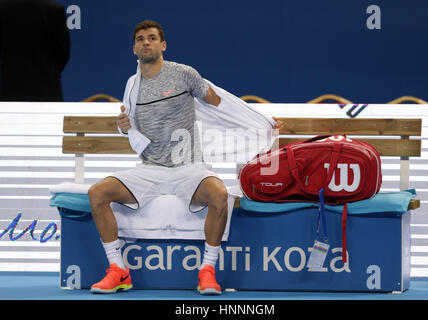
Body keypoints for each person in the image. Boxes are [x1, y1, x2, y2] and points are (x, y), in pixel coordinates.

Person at [88, 20, 283, 295]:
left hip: (190, 167)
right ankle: (118, 270)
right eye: (141, 39)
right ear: (134, 48)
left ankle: (207, 270)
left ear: (162, 45)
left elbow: (222, 103)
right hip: (150, 168)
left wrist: (260, 121)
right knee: (97, 193)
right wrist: (123, 126)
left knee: (218, 194)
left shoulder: (184, 74)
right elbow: (130, 125)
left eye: (152, 38)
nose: (146, 42)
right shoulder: (132, 84)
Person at [0, 0, 70, 101]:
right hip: (48, 90)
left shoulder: (3, 7)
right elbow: (63, 51)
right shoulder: (54, 9)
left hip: (10, 88)